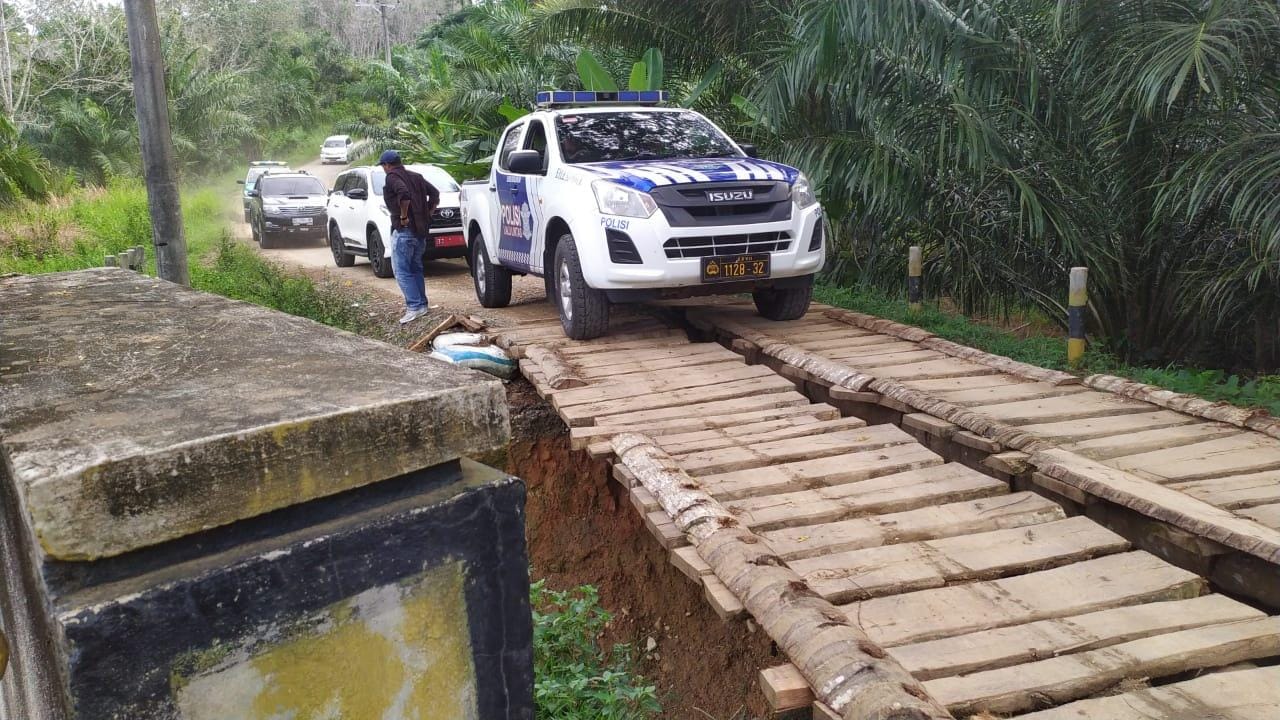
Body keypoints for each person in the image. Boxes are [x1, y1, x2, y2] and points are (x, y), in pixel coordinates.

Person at [379, 149, 440, 324]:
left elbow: (403, 194)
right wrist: (428, 213)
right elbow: (435, 193)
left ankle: (414, 307)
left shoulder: (391, 177)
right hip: (420, 232)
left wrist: (404, 216)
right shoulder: (416, 176)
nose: (384, 168)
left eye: (383, 165)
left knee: (401, 271)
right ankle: (422, 305)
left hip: (405, 231)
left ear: (388, 165)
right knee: (416, 268)